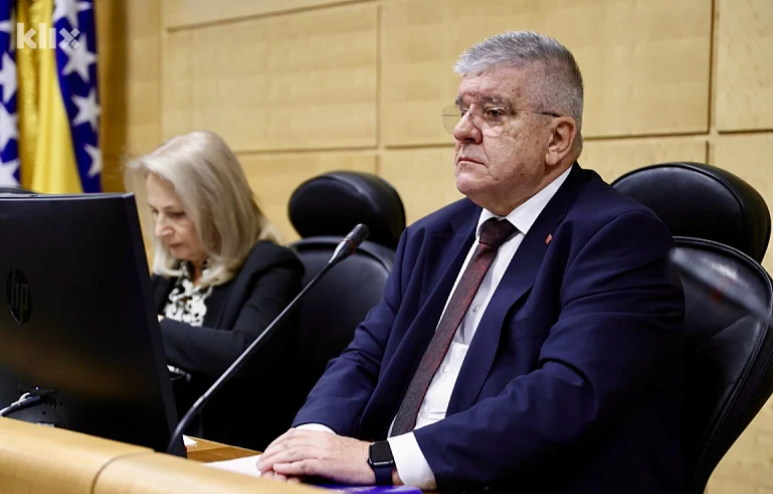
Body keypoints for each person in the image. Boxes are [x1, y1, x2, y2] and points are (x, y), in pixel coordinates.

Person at [258, 31, 686, 493]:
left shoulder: (616, 238)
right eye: (462, 110)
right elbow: (366, 355)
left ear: (557, 139)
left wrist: (381, 460)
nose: (463, 130)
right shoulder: (432, 236)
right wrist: (311, 441)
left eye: (494, 113)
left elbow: (564, 394)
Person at [125, 130, 304, 449]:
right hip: (158, 439)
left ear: (219, 208)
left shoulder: (272, 267)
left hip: (226, 449)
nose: (160, 229)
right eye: (154, 212)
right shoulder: (175, 268)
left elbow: (243, 355)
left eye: (176, 214)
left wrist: (151, 326)